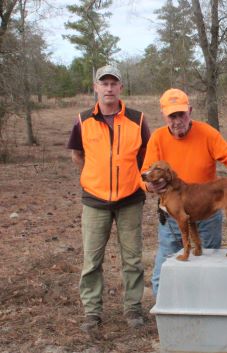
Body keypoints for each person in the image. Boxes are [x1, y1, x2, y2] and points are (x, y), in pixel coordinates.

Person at [141, 88, 227, 297]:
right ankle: (170, 316)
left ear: (189, 111)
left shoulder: (206, 132)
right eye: (171, 116)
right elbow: (145, 172)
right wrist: (149, 186)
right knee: (162, 275)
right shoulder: (157, 138)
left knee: (208, 271)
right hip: (172, 217)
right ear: (163, 115)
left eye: (181, 114)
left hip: (208, 211)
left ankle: (205, 312)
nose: (177, 121)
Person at [67, 65, 150, 331]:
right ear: (96, 87)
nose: (109, 88)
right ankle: (92, 312)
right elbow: (77, 155)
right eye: (104, 83)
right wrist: (92, 178)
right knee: (92, 260)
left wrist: (138, 182)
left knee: (133, 259)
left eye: (114, 83)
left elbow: (146, 158)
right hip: (95, 201)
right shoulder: (83, 120)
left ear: (121, 88)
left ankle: (134, 310)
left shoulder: (137, 120)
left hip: (130, 200)